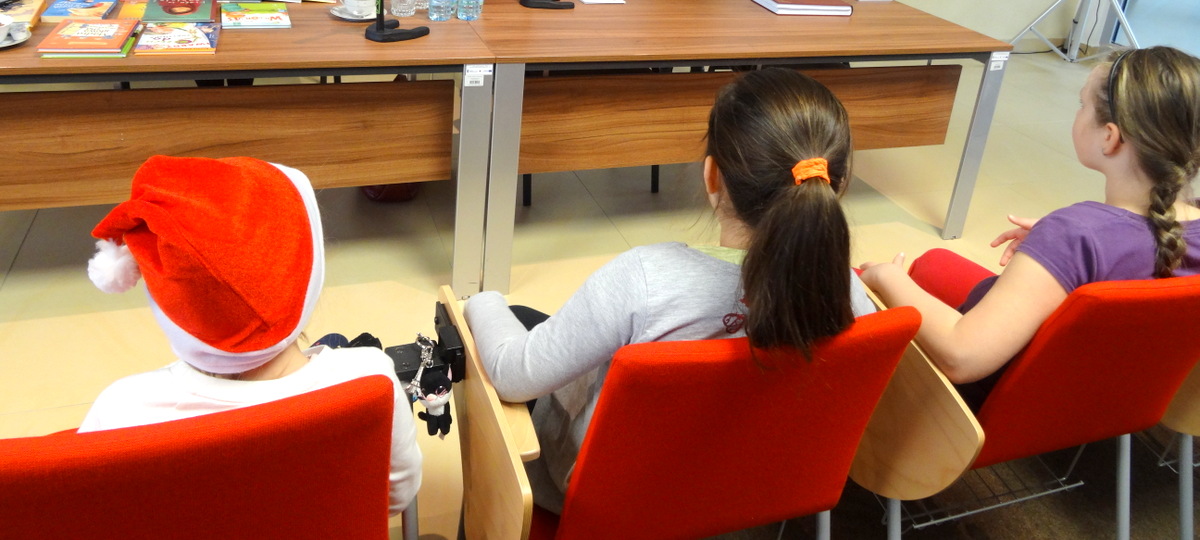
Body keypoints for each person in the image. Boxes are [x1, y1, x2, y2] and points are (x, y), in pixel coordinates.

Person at [465, 67, 876, 512]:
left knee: (498, 326)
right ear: (837, 184)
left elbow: (512, 376)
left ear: (712, 177)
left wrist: (477, 301)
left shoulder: (644, 282)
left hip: (615, 497)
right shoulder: (850, 298)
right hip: (749, 488)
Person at [78, 155, 422, 516]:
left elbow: (95, 514)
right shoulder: (368, 380)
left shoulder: (122, 411)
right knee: (336, 344)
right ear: (308, 279)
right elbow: (395, 495)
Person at [859, 46, 1200, 407]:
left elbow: (961, 356)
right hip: (1113, 402)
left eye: (1082, 104)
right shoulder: (1085, 236)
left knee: (866, 283)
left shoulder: (1075, 235)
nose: (1078, 112)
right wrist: (1056, 250)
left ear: (1109, 137)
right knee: (935, 262)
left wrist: (886, 277)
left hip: (981, 410)